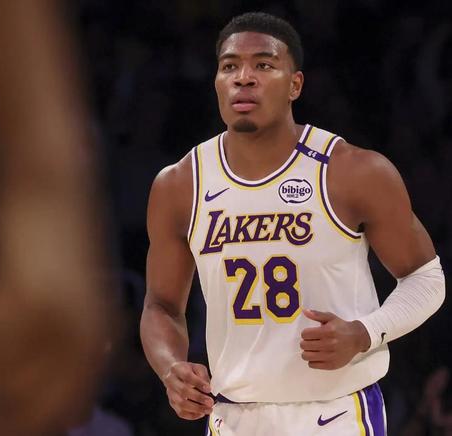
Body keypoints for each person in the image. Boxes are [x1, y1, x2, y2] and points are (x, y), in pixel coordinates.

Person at [140, 12, 445, 435]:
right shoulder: (180, 184)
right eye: (230, 66)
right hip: (233, 415)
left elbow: (427, 279)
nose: (244, 78)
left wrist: (366, 332)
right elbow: (160, 306)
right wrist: (170, 368)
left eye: (264, 65)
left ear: (295, 85)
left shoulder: (353, 171)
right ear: (216, 82)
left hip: (336, 412)